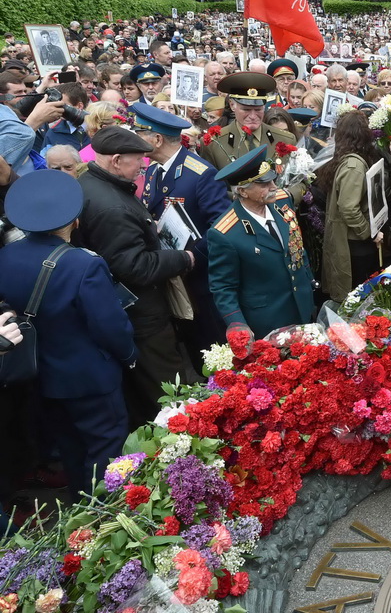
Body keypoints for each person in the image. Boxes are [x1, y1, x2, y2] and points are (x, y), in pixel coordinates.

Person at [0, 170, 135, 498]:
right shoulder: (83, 265)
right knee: (106, 445)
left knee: (70, 447)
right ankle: (108, 510)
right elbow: (109, 325)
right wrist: (129, 355)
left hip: (40, 375)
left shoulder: (6, 256)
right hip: (89, 378)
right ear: (74, 221)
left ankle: (79, 504)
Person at [74, 126, 194, 427]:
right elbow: (135, 267)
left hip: (125, 309)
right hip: (142, 315)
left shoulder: (92, 183)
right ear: (116, 160)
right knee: (167, 393)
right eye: (138, 159)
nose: (144, 166)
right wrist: (182, 258)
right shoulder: (111, 207)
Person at [133, 102, 230, 359]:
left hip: (200, 277)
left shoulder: (200, 173)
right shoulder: (154, 170)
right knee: (193, 343)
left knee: (213, 345)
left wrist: (191, 258)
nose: (135, 140)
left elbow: (221, 226)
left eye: (139, 133)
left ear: (156, 139)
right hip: (173, 275)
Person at [207, 146, 314, 339]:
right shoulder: (225, 233)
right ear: (243, 192)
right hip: (268, 320)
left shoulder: (281, 201)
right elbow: (223, 287)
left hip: (302, 304)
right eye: (264, 184)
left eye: (272, 180)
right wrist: (236, 323)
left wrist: (307, 278)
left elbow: (296, 244)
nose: (274, 186)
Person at [318, 111, 384, 305]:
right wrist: (368, 232)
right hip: (355, 245)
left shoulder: (344, 157)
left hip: (353, 242)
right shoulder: (354, 165)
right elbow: (348, 208)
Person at [200, 72, 300, 197]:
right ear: (232, 105)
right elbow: (209, 187)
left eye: (258, 109)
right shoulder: (215, 143)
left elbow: (300, 179)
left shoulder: (286, 139)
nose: (253, 116)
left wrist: (287, 195)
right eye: (246, 109)